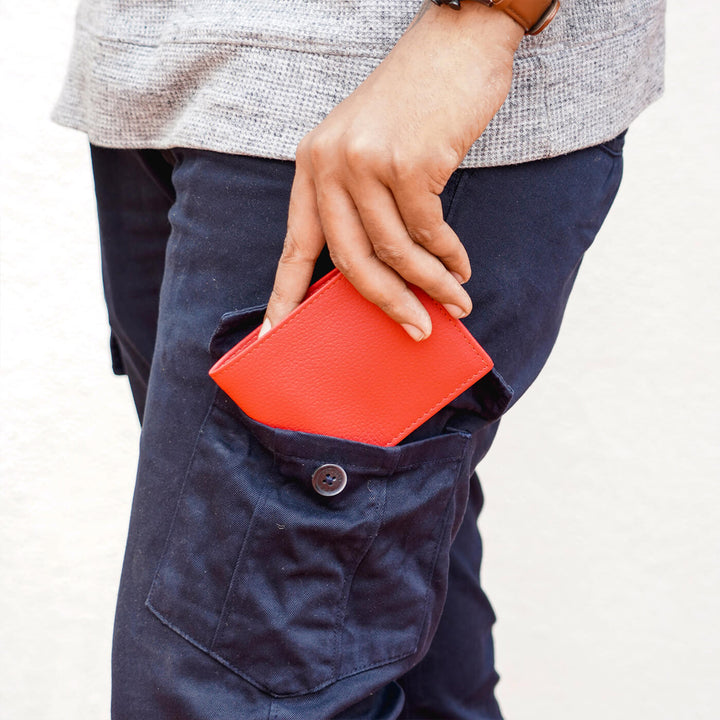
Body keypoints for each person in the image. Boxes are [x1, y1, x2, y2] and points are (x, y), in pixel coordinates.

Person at [53, 0, 665, 717]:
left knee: (223, 691)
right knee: (380, 645)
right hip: (163, 79)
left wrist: (484, 21)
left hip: (388, 105)